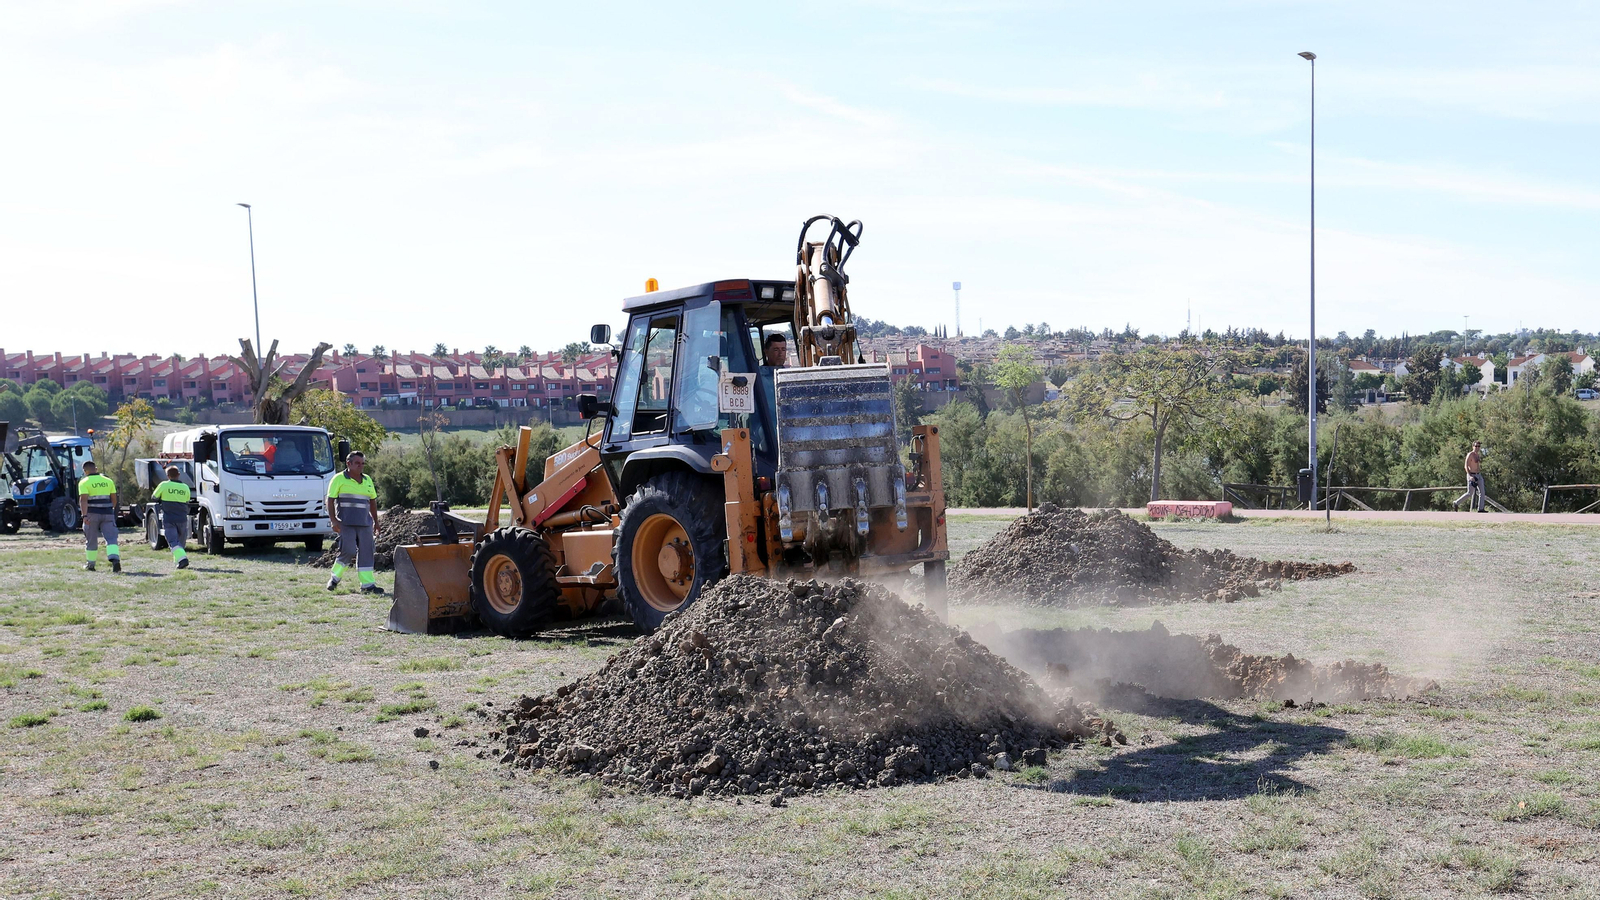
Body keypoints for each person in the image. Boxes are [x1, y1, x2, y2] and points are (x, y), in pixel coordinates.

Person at [326, 450, 382, 594]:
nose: (360, 466)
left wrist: (376, 522)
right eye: (357, 463)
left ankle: (368, 585)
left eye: (362, 463)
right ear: (348, 463)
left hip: (365, 524)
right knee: (348, 550)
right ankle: (334, 578)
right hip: (346, 523)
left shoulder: (368, 480)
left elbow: (372, 502)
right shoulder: (338, 479)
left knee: (367, 553)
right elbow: (330, 500)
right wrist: (333, 520)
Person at [77, 461, 120, 573]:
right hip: (108, 514)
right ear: (95, 469)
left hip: (92, 515)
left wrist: (84, 516)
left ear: (85, 471)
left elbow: (83, 500)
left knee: (91, 540)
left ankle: (90, 565)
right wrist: (110, 509)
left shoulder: (84, 482)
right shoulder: (108, 481)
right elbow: (114, 499)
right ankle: (115, 559)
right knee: (111, 539)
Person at [150, 466, 192, 569]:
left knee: (173, 541)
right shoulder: (185, 487)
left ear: (167, 476)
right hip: (182, 518)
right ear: (178, 474)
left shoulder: (164, 485)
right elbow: (187, 501)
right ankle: (179, 561)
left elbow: (154, 497)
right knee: (180, 542)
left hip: (169, 518)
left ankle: (182, 559)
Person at [1465, 441, 1486, 513]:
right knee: (1469, 493)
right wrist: (1470, 476)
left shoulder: (1477, 455)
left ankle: (1481, 508)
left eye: (1478, 446)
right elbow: (1466, 466)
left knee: (1482, 492)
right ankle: (1456, 503)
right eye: (1476, 446)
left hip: (1478, 475)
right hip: (1472, 475)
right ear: (1473, 446)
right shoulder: (1470, 454)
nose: (1477, 448)